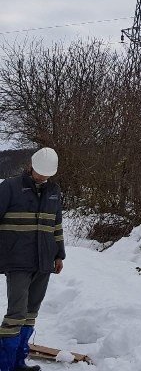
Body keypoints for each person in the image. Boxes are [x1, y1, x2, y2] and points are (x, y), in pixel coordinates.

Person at [0, 147, 65, 371]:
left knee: (31, 313)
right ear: (31, 166)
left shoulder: (54, 191)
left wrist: (59, 255)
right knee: (16, 314)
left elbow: (56, 226)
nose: (42, 177)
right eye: (39, 172)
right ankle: (5, 365)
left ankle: (19, 363)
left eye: (47, 174)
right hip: (17, 260)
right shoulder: (9, 187)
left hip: (44, 261)